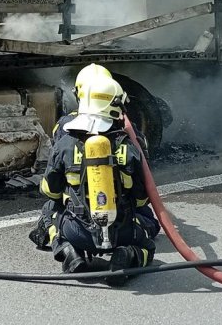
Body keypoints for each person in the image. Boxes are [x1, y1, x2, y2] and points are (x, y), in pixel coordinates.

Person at [37, 73, 158, 286]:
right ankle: (127, 255)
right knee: (148, 246)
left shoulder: (65, 143)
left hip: (78, 232)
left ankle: (70, 252)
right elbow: (141, 200)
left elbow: (50, 190)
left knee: (51, 213)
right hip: (123, 233)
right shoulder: (129, 147)